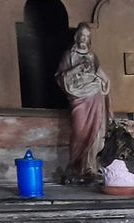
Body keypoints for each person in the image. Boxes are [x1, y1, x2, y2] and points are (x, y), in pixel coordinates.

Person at [56, 23, 111, 182]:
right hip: (77, 97)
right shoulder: (69, 55)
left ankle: (90, 168)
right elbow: (60, 77)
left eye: (86, 36)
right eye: (81, 35)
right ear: (76, 36)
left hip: (94, 95)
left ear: (89, 39)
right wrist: (77, 68)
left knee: (96, 131)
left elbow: (102, 76)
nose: (83, 39)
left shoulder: (92, 57)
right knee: (79, 131)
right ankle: (75, 167)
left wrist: (105, 86)